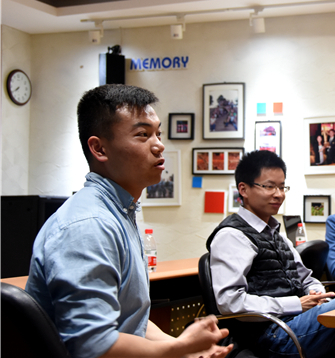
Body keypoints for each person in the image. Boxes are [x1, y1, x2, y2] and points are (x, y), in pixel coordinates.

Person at [25, 84, 232, 358]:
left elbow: (133, 321)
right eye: (143, 134)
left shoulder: (119, 212)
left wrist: (184, 352)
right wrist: (178, 348)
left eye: (158, 133)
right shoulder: (89, 225)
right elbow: (92, 346)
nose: (159, 145)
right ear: (99, 148)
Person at [207, 150, 335, 358]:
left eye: (282, 187)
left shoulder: (277, 234)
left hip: (297, 321)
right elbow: (230, 302)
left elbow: (306, 278)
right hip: (276, 335)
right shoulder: (232, 236)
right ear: (243, 189)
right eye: (269, 186)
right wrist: (296, 304)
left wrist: (317, 294)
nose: (279, 194)